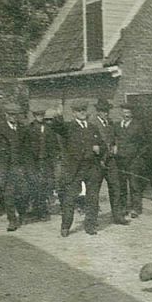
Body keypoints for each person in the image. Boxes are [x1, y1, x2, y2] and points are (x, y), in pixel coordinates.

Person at [51, 101, 105, 237]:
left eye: (83, 110)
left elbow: (102, 145)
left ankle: (90, 226)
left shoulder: (92, 128)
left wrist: (99, 149)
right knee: (70, 198)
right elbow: (57, 127)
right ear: (74, 113)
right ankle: (65, 226)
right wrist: (58, 115)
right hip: (75, 168)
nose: (82, 112)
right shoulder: (69, 127)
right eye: (79, 110)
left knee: (92, 198)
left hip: (92, 167)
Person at [0, 102, 29, 232]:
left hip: (20, 166)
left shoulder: (23, 129)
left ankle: (22, 214)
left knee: (23, 193)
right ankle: (12, 220)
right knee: (9, 194)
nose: (13, 117)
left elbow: (26, 147)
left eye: (16, 115)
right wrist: (2, 159)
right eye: (11, 115)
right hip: (6, 166)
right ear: (6, 115)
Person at [94, 98, 128, 225]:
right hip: (97, 162)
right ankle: (92, 218)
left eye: (107, 110)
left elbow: (114, 138)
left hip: (110, 160)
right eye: (103, 111)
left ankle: (117, 216)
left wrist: (115, 145)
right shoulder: (92, 123)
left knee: (115, 187)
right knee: (94, 190)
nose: (106, 113)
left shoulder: (110, 123)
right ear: (98, 112)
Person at [26, 107, 57, 221]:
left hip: (46, 161)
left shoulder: (48, 128)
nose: (40, 117)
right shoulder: (29, 128)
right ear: (34, 116)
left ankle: (43, 209)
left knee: (46, 185)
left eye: (42, 115)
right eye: (38, 115)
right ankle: (36, 209)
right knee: (35, 185)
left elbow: (53, 144)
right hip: (34, 162)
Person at [115, 102, 144, 219]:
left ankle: (135, 208)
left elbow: (144, 144)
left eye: (128, 112)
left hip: (133, 161)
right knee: (121, 185)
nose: (126, 115)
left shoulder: (138, 126)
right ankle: (123, 207)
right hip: (120, 160)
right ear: (121, 113)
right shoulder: (117, 126)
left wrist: (138, 156)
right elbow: (114, 140)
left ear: (132, 114)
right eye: (124, 112)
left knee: (134, 185)